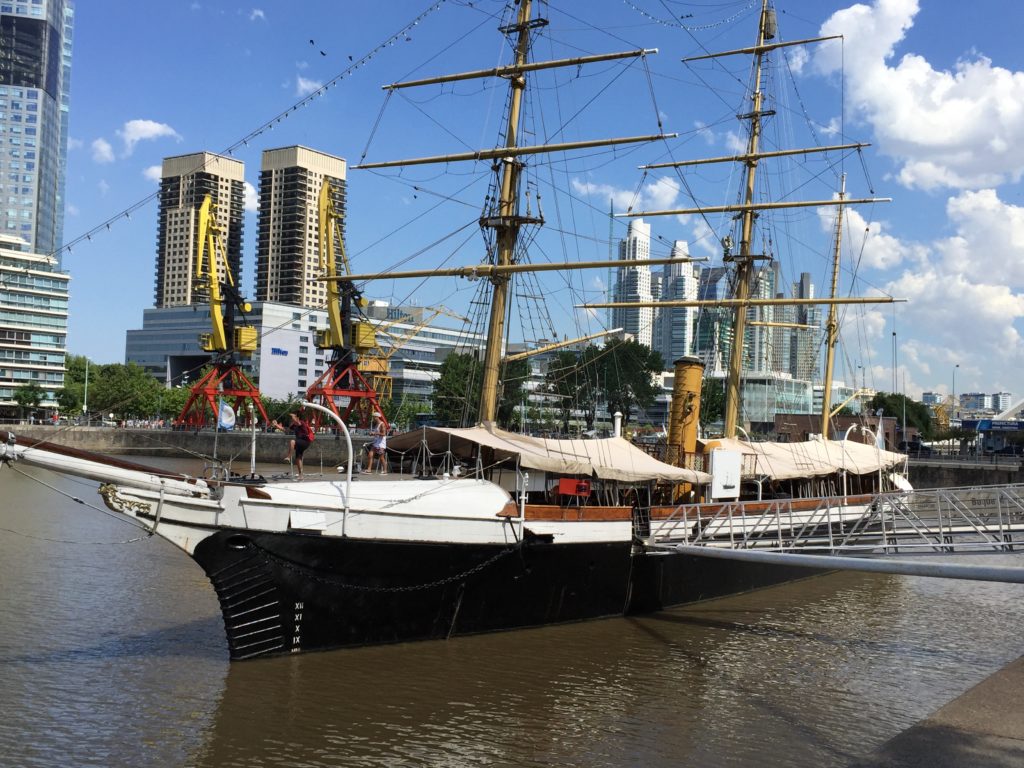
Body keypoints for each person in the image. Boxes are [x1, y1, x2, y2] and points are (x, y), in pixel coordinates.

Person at [272, 411, 312, 479]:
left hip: (305, 441)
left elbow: (298, 422)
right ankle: (300, 475)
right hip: (299, 442)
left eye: (292, 417)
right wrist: (276, 425)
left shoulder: (301, 423)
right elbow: (286, 430)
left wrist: (294, 417)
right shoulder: (294, 425)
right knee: (298, 458)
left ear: (297, 417)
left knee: (292, 442)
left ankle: (288, 457)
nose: (291, 419)